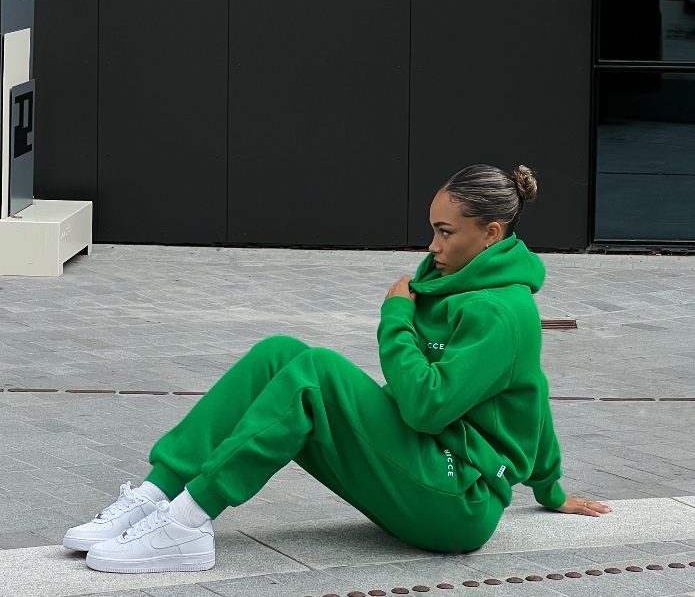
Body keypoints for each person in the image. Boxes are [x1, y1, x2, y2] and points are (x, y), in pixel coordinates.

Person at [63, 163, 612, 574]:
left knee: (316, 373)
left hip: (455, 500)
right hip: (421, 469)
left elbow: (426, 408)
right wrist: (551, 488)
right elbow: (532, 393)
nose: (433, 244)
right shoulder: (452, 285)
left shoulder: (501, 313)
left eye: (447, 232)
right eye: (433, 229)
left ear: (490, 233)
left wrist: (396, 319)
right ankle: (157, 496)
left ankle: (186, 524)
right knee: (280, 353)